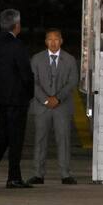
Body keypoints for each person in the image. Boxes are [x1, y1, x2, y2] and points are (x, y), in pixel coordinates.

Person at [0, 9, 34, 189]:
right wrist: (30, 93)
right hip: (16, 98)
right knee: (16, 139)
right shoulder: (17, 45)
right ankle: (13, 177)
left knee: (4, 136)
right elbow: (26, 73)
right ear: (16, 25)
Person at [26, 29, 79, 186]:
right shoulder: (36, 59)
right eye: (50, 39)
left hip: (62, 107)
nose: (53, 42)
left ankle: (65, 174)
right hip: (42, 107)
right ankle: (38, 174)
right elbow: (32, 81)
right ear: (46, 41)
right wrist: (45, 99)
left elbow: (72, 81)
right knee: (40, 140)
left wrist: (57, 98)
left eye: (56, 39)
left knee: (63, 140)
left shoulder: (69, 59)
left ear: (61, 41)